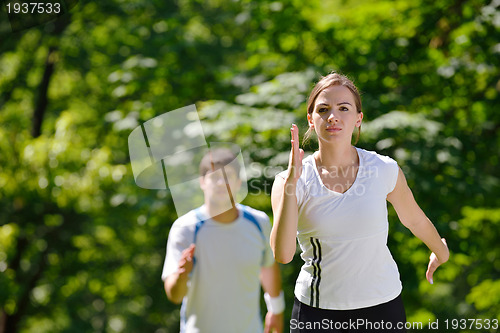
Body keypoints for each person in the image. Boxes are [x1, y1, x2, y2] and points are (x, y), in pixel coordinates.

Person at [270, 72, 449, 332]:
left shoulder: (383, 169)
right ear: (311, 120)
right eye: (323, 109)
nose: (333, 116)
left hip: (383, 308)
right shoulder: (288, 180)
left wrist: (441, 252)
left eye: (344, 108)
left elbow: (414, 219)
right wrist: (290, 185)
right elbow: (283, 255)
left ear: (358, 118)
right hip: (317, 313)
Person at [162, 147, 285, 333]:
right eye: (214, 176)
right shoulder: (185, 227)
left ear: (238, 182)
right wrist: (181, 275)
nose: (220, 182)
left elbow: (267, 266)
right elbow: (174, 295)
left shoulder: (259, 222)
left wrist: (276, 310)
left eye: (227, 176)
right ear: (202, 182)